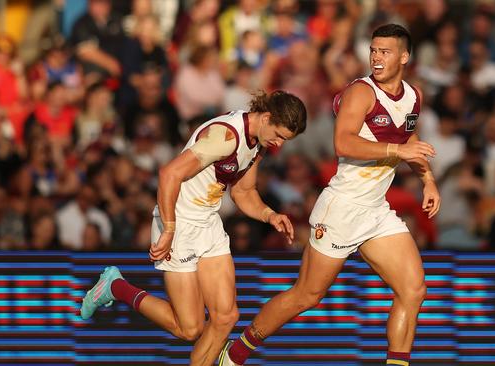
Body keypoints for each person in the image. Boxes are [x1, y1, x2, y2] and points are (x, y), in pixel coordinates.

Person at [219, 24, 440, 366]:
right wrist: (399, 151)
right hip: (341, 208)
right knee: (306, 296)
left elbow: (408, 141)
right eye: (373, 50)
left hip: (374, 210)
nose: (376, 57)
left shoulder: (414, 96)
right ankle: (234, 355)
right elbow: (344, 142)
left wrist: (428, 180)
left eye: (385, 51)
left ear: (405, 56)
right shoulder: (361, 93)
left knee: (413, 290)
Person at [79, 90, 307, 366]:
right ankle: (115, 287)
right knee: (190, 329)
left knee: (226, 317)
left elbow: (244, 192)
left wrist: (270, 215)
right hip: (179, 223)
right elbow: (169, 174)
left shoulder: (258, 142)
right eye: (280, 135)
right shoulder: (226, 137)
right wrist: (169, 229)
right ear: (267, 117)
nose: (279, 144)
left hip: (208, 223)